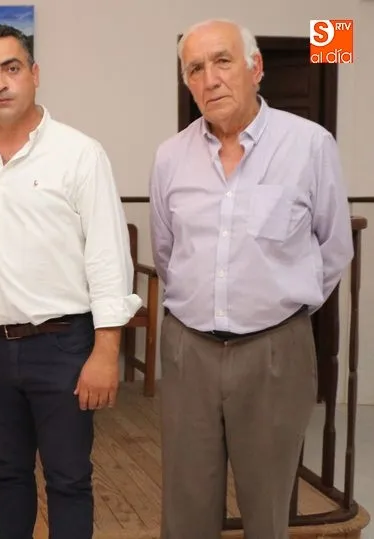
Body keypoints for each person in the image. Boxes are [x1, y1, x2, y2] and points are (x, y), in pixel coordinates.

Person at [0, 24, 141, 539]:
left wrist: (106, 350)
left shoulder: (80, 153)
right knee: (5, 474)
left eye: (11, 68)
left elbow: (108, 257)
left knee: (69, 479)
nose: (0, 83)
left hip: (63, 346)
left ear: (34, 74)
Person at [149, 19, 354, 539]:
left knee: (267, 509)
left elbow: (334, 247)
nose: (210, 79)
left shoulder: (309, 145)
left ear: (255, 67)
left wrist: (280, 308)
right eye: (195, 69)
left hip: (274, 352)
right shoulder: (170, 157)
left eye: (223, 61)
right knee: (186, 509)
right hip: (189, 351)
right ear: (187, 82)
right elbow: (167, 251)